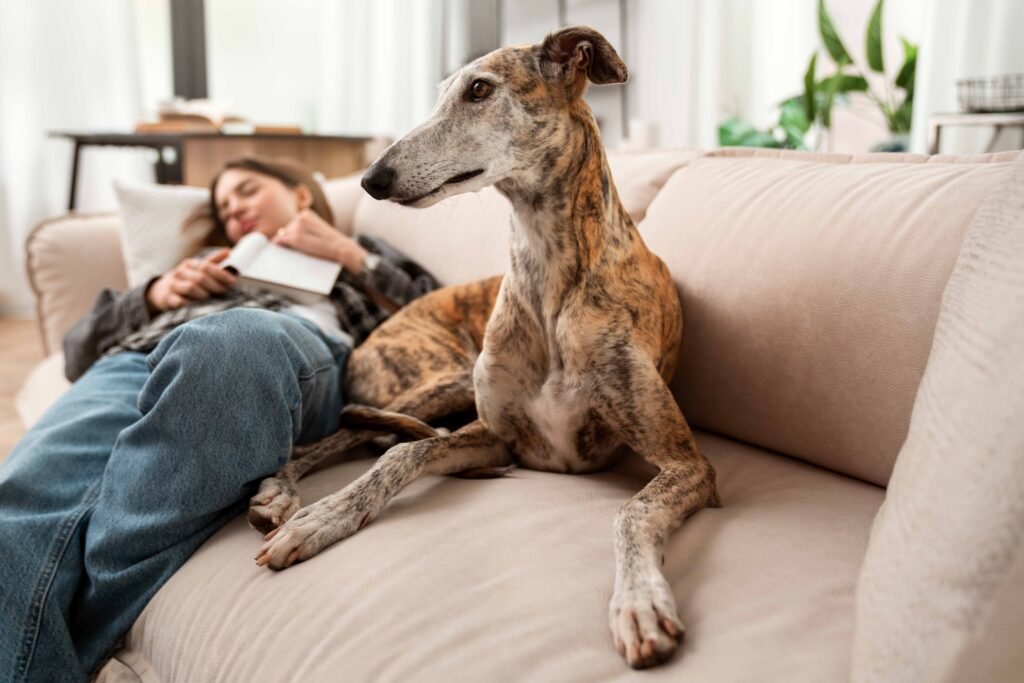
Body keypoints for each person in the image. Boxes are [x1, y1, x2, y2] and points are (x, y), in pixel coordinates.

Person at [0, 157, 439, 682]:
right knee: (15, 522)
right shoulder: (205, 262)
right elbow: (74, 353)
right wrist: (154, 295)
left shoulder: (361, 252)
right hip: (136, 362)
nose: (235, 214)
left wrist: (348, 256)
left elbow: (445, 316)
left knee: (231, 343)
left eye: (247, 192)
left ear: (300, 194)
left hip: (283, 354)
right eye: (225, 210)